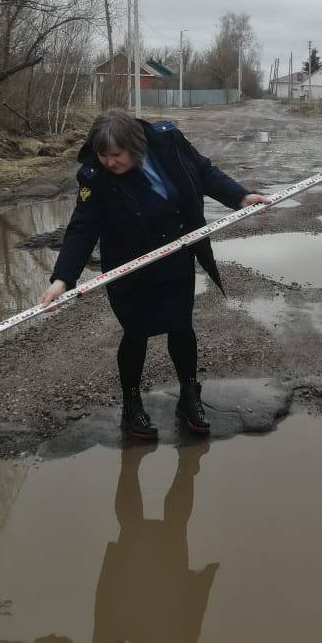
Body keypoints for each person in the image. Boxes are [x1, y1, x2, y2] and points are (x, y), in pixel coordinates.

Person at [40, 110, 269, 438]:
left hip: (175, 251)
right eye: (102, 155)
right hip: (128, 263)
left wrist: (240, 196)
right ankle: (131, 406)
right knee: (136, 333)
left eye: (115, 155)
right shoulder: (95, 175)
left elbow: (203, 171)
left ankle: (189, 396)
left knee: (181, 326)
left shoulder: (167, 141)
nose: (108, 162)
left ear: (136, 146)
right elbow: (83, 226)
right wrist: (62, 278)